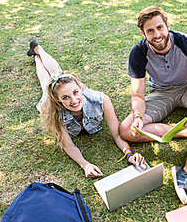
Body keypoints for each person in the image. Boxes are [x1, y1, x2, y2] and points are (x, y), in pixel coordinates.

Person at [118, 6, 187, 204]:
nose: (156, 34)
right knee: (126, 130)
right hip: (160, 93)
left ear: (168, 26)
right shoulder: (138, 53)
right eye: (150, 31)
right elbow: (138, 96)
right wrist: (138, 117)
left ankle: (185, 172)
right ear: (143, 33)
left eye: (160, 27)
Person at [28, 40, 145, 178]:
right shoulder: (54, 111)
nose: (73, 101)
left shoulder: (100, 100)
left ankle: (38, 49)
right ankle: (37, 55)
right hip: (52, 96)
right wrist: (85, 164)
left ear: (80, 87)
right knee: (46, 81)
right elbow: (68, 145)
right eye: (65, 97)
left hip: (74, 89)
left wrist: (129, 154)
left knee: (57, 73)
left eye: (76, 92)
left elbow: (117, 134)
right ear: (58, 99)